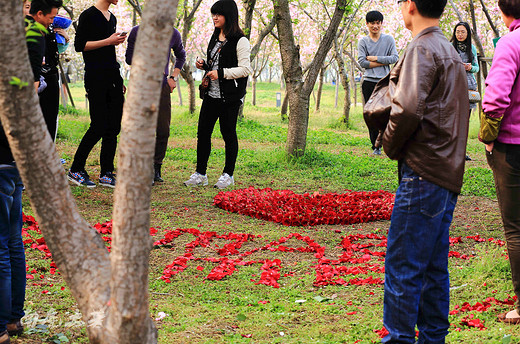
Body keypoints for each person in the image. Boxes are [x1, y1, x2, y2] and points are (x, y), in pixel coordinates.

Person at [364, 0, 469, 342]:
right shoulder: (448, 51)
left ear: (410, 5)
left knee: (404, 266)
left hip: (423, 171)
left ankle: (399, 339)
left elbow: (407, 110)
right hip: (445, 172)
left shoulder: (422, 48)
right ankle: (433, 338)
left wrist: (389, 146)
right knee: (433, 268)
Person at [479, 0, 520, 325]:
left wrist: (488, 137)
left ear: (504, 11)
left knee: (516, 228)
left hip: (513, 148)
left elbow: (495, 97)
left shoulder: (511, 43)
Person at [184, 0, 252, 189]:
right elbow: (216, 65)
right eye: (213, 14)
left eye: (218, 14)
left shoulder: (241, 40)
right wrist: (204, 65)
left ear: (228, 16)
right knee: (203, 134)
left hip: (230, 97)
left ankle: (228, 175)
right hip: (211, 95)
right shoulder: (215, 37)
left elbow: (245, 69)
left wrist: (220, 73)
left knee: (228, 134)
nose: (214, 17)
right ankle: (200, 173)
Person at [68, 0, 126, 188]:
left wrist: (119, 80)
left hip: (113, 77)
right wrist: (109, 41)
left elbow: (109, 52)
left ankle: (106, 173)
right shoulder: (89, 15)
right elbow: (80, 45)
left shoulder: (112, 17)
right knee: (99, 125)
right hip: (96, 77)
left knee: (113, 128)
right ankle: (76, 169)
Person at [125, 25, 186, 183]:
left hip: (161, 86)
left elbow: (181, 56)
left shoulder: (172, 33)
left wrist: (173, 77)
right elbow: (128, 58)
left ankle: (156, 167)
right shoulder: (137, 31)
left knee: (163, 129)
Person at [357, 10, 399, 155]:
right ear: (367, 24)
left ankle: (383, 142)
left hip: (385, 81)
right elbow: (362, 62)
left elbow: (394, 58)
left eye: (378, 23)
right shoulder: (363, 41)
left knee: (386, 112)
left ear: (381, 24)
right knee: (370, 114)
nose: (375, 26)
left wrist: (374, 58)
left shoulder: (389, 39)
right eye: (372, 23)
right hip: (368, 81)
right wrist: (382, 60)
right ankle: (375, 146)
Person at [451, 21, 479, 161]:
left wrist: (469, 68)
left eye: (462, 32)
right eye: (457, 31)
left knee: (464, 120)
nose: (459, 34)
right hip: (453, 86)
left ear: (467, 34)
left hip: (468, 85)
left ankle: (462, 151)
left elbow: (476, 68)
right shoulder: (450, 47)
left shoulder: (471, 48)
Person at [39, 14, 70, 141]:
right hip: (32, 75)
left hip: (50, 74)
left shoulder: (52, 27)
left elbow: (58, 50)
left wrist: (66, 39)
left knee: (51, 116)